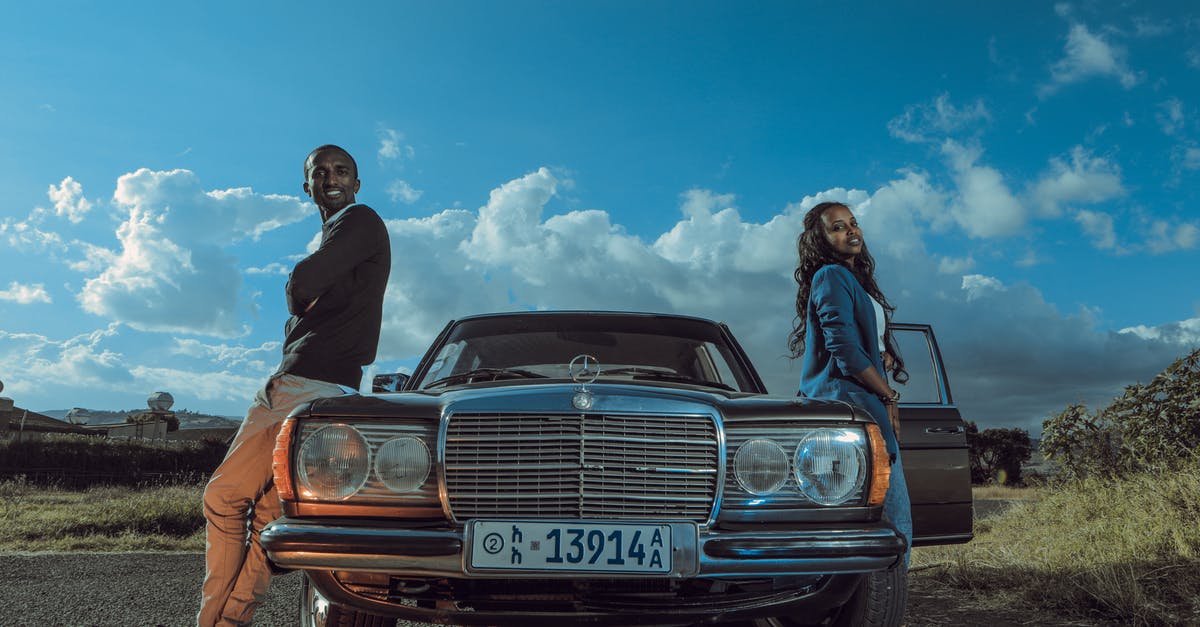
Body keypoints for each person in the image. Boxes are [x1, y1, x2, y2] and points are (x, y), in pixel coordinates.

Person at [198, 145, 391, 626]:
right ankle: (230, 621)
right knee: (267, 516)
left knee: (222, 499)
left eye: (341, 170)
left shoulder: (359, 220)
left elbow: (303, 282)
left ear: (357, 183)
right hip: (336, 389)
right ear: (306, 186)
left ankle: (213, 622)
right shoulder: (344, 234)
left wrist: (295, 290)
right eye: (319, 172)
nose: (330, 178)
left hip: (303, 386)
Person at [789, 200, 912, 561]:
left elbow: (859, 343)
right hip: (848, 406)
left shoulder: (855, 282)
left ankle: (873, 602)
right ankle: (883, 607)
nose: (851, 231)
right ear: (822, 239)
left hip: (861, 401)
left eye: (853, 223)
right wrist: (889, 395)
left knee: (879, 516)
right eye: (838, 227)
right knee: (891, 520)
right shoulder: (831, 275)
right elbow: (842, 345)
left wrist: (883, 356)